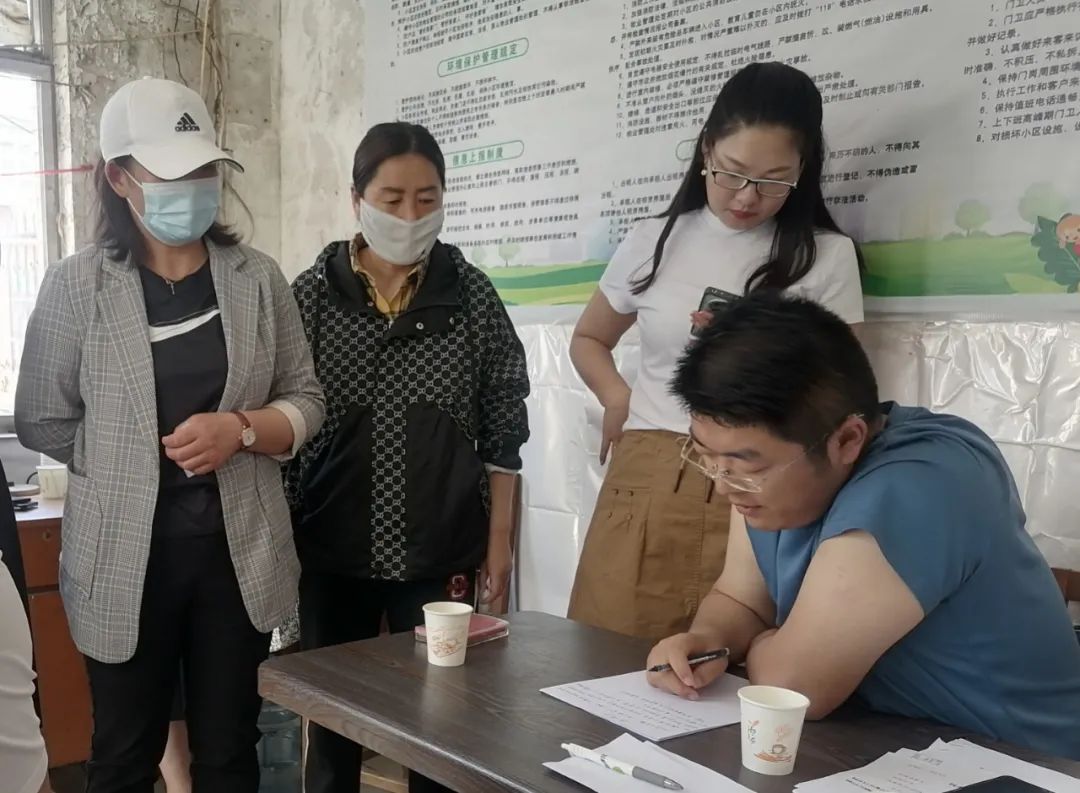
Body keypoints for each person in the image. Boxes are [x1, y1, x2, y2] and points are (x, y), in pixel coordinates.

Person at [15, 77, 325, 793]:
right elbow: (41, 416)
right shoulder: (77, 285)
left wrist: (240, 430)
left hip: (236, 559)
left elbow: (306, 398)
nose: (193, 186)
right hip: (123, 560)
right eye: (170, 173)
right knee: (123, 753)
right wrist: (126, 459)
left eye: (203, 169)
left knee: (229, 752)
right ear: (118, 178)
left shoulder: (257, 279)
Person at [645, 292, 1080, 761]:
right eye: (706, 457)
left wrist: (767, 646)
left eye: (743, 465)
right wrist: (708, 642)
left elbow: (796, 684)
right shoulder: (772, 479)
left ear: (847, 440)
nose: (723, 485)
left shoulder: (921, 482)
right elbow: (741, 598)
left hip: (1022, 762)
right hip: (887, 742)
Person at [567, 61, 865, 641]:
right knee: (607, 655)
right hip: (654, 468)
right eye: (732, 173)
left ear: (804, 171)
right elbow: (590, 338)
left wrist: (758, 347)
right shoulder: (653, 240)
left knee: (737, 665)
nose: (748, 197)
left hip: (764, 483)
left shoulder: (825, 255)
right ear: (706, 150)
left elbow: (845, 389)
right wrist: (617, 398)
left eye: (774, 180)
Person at [285, 121, 530, 793]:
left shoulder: (471, 295)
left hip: (440, 551)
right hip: (332, 551)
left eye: (427, 199)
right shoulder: (310, 297)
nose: (409, 215)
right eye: (391, 199)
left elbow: (504, 427)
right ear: (356, 199)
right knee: (332, 728)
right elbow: (283, 423)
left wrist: (499, 542)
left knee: (441, 727)